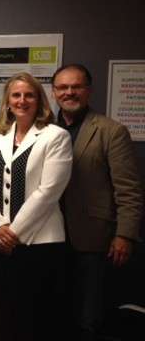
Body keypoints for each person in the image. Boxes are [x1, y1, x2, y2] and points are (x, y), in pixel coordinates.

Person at [0, 72, 73, 341]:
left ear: (39, 100)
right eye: (16, 95)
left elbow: (49, 191)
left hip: (38, 244)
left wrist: (14, 232)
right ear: (7, 101)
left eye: (29, 95)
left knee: (31, 317)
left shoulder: (56, 136)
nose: (22, 100)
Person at [53, 64, 144, 340]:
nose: (69, 92)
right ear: (54, 92)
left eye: (76, 87)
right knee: (56, 310)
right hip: (49, 234)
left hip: (92, 238)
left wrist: (124, 235)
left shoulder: (110, 130)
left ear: (88, 91)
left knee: (88, 316)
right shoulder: (43, 128)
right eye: (62, 87)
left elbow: (128, 190)